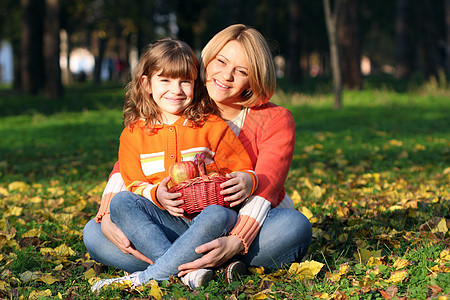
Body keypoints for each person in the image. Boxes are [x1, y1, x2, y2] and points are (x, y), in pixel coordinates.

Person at [84, 24, 312, 291]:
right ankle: (202, 270)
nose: (226, 76)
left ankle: (166, 269)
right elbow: (133, 158)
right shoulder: (183, 102)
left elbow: (268, 186)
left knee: (294, 226)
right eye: (222, 62)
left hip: (233, 223)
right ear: (208, 59)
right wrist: (110, 211)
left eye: (242, 71)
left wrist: (236, 241)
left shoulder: (274, 119)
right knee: (95, 233)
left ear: (255, 78)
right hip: (177, 220)